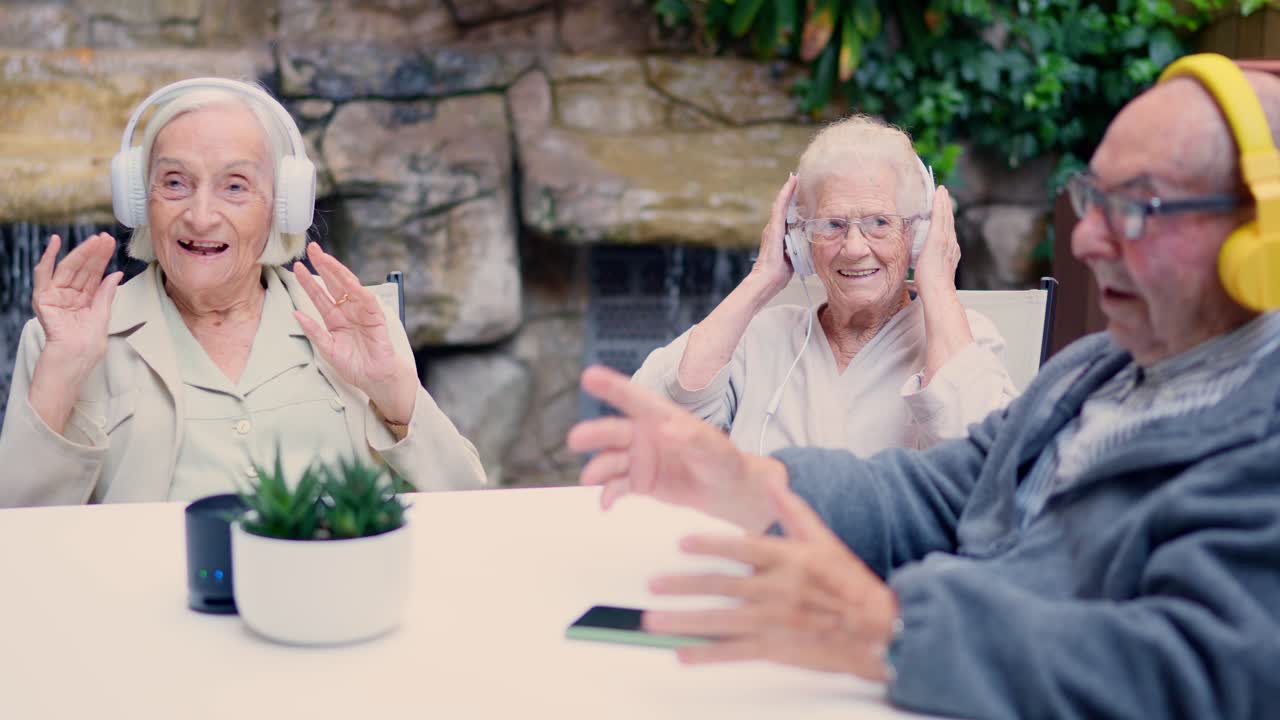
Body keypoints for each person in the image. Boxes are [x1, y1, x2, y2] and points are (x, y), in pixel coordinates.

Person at [568, 55, 1280, 720]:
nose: (1088, 239)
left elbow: (1202, 673)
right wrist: (755, 482)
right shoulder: (1092, 371)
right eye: (1094, 199)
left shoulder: (1264, 433)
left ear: (1262, 238)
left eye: (1137, 207)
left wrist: (893, 625)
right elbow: (943, 492)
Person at [0, 78, 486, 507]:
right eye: (174, 182)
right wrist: (60, 377)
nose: (201, 215)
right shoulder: (59, 339)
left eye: (235, 186)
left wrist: (395, 395)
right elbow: (16, 546)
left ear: (283, 205)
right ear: (137, 198)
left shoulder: (362, 327)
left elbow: (469, 510)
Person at [632, 116, 1017, 456]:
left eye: (879, 222)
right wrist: (760, 280)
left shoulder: (965, 339)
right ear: (800, 241)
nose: (853, 248)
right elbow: (655, 417)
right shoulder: (763, 337)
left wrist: (938, 286)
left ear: (917, 234)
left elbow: (983, 458)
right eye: (831, 225)